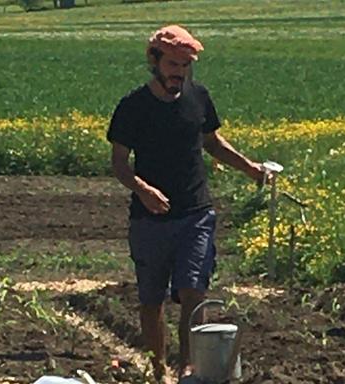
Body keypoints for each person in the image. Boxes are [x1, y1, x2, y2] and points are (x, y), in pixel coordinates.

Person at [106, 25, 266, 383]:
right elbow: (119, 162)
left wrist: (250, 168)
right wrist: (143, 189)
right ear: (155, 61)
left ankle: (188, 370)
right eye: (173, 64)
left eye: (185, 65)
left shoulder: (199, 98)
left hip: (196, 214)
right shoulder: (133, 107)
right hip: (149, 220)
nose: (179, 72)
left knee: (194, 291)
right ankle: (157, 369)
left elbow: (213, 142)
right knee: (152, 300)